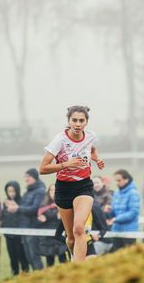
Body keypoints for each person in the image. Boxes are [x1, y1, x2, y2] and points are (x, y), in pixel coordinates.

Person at [39, 105, 105, 262]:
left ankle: (79, 269)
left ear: (86, 122)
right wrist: (66, 164)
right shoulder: (59, 140)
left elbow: (92, 149)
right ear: (69, 121)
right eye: (74, 120)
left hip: (84, 186)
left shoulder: (90, 136)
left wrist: (97, 159)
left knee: (79, 229)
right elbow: (42, 169)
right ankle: (74, 260)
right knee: (70, 238)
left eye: (81, 121)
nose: (77, 124)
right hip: (64, 189)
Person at [6, 169, 46, 271]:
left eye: (28, 176)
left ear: (35, 177)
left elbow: (35, 209)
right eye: (25, 176)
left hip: (33, 228)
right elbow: (23, 208)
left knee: (34, 257)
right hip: (24, 228)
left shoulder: (40, 191)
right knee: (29, 258)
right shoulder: (28, 191)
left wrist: (18, 208)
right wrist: (15, 207)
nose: (26, 179)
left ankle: (40, 279)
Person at [106, 169, 140, 252]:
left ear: (126, 179)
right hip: (116, 231)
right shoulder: (116, 193)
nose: (117, 183)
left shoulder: (133, 193)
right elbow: (114, 213)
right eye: (116, 180)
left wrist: (116, 219)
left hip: (129, 232)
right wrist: (109, 211)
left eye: (119, 180)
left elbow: (133, 213)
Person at [2, 180, 30, 275]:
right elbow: (4, 217)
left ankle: (25, 274)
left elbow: (24, 217)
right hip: (9, 236)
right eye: (9, 191)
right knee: (12, 257)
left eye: (13, 191)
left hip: (20, 236)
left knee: (22, 257)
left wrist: (16, 208)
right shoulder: (5, 203)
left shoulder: (22, 202)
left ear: (17, 191)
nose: (11, 193)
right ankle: (15, 275)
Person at [37, 184, 68, 267]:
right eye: (51, 190)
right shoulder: (44, 205)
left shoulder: (64, 203)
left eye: (55, 190)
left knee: (63, 262)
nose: (53, 192)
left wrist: (63, 216)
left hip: (60, 236)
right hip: (48, 238)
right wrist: (40, 219)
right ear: (48, 192)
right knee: (50, 263)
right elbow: (39, 220)